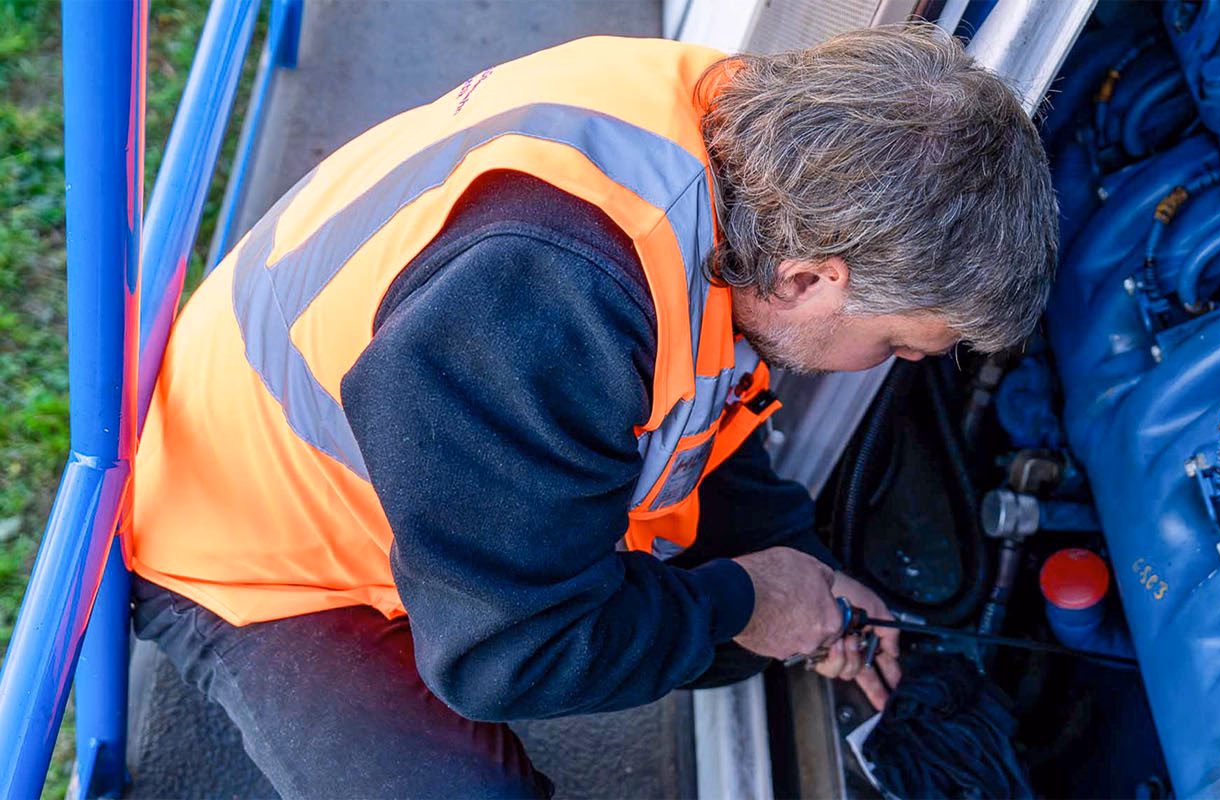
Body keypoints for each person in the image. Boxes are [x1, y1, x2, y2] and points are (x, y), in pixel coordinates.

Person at [123, 23, 1055, 797]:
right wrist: (748, 598)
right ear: (810, 280)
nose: (889, 367)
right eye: (895, 345)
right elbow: (506, 658)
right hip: (246, 538)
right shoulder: (552, 302)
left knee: (726, 638)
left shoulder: (741, 143)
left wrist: (801, 571)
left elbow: (709, 394)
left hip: (416, 461)